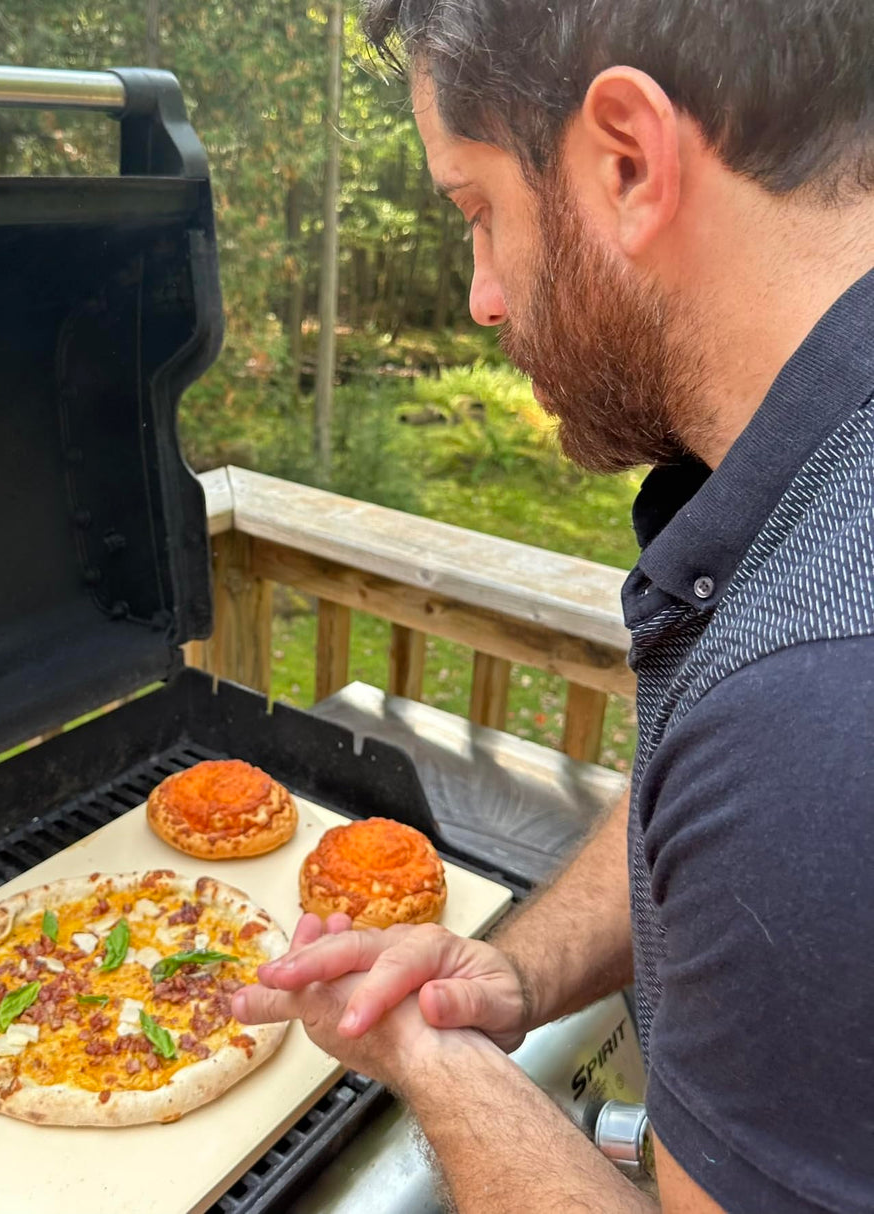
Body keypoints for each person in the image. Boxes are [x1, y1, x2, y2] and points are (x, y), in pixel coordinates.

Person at [231, 2, 874, 1210]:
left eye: (477, 210)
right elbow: (688, 807)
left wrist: (425, 1057)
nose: (479, 294)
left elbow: (774, 772)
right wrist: (508, 976)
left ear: (626, 156)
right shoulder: (815, 512)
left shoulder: (814, 709)